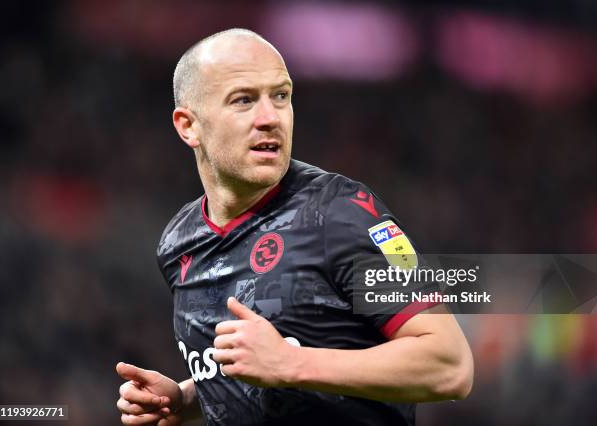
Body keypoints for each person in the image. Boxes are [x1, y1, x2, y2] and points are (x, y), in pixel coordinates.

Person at [116, 28, 473, 426]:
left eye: (281, 96)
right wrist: (185, 400)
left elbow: (449, 365)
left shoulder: (340, 212)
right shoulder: (179, 242)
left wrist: (293, 363)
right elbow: (258, 371)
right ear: (189, 126)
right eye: (244, 100)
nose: (270, 118)